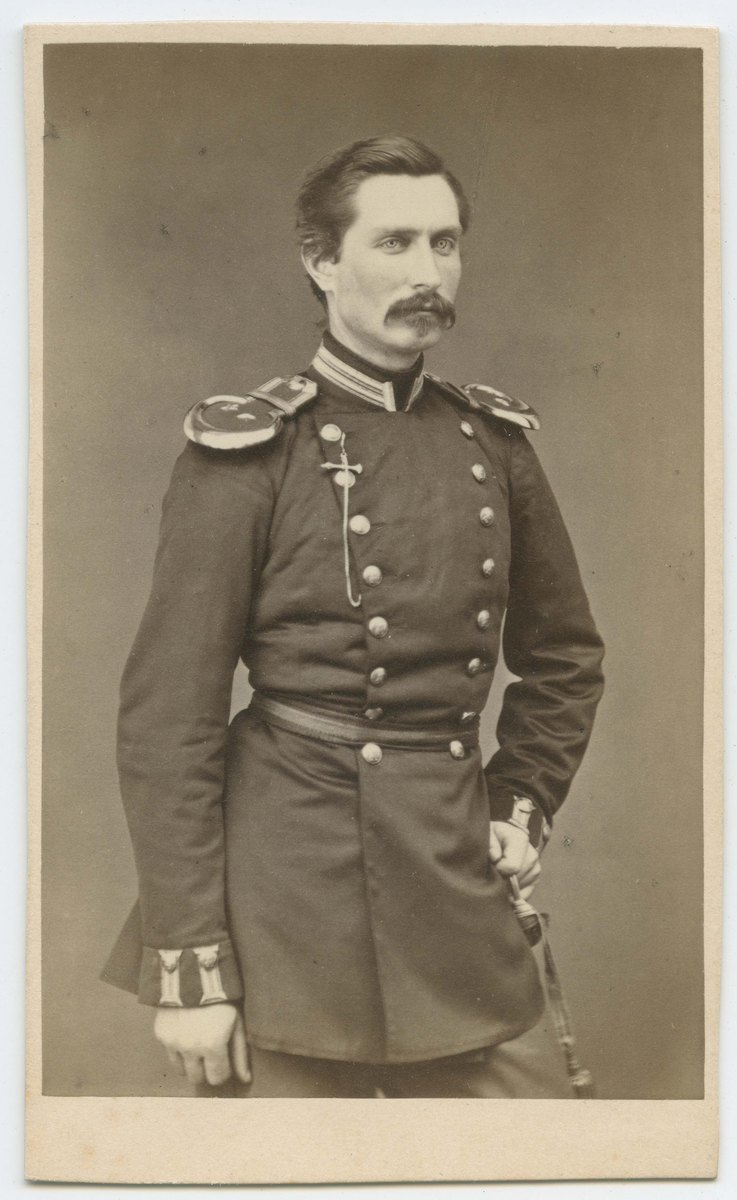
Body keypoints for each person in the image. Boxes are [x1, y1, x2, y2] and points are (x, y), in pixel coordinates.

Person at [102, 134, 605, 1098]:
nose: (426, 272)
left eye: (444, 243)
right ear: (321, 261)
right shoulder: (251, 453)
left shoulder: (493, 443)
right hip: (286, 898)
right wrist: (189, 965)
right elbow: (168, 720)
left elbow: (565, 656)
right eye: (394, 243)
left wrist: (519, 802)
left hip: (451, 876)